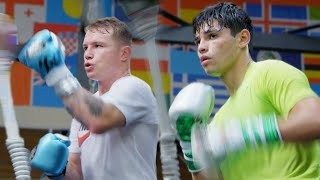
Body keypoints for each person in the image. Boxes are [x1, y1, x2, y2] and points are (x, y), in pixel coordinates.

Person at [169, 2, 320, 180]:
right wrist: (190, 149)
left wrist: (246, 134)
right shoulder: (219, 122)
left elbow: (315, 119)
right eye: (198, 40)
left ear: (242, 39)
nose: (201, 46)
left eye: (212, 36)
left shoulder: (270, 72)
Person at [18, 17, 159, 180]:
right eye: (85, 47)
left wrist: (56, 72)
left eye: (98, 46)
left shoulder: (135, 87)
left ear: (124, 53)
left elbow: (100, 119)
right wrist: (58, 169)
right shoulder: (83, 110)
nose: (88, 54)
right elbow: (77, 171)